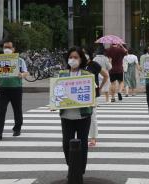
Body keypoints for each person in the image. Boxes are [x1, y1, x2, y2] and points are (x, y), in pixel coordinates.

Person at [59, 46, 93, 174]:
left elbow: (92, 92)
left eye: (75, 57)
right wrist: (55, 103)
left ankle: (80, 170)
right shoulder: (62, 74)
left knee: (83, 144)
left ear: (81, 59)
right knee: (66, 144)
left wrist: (92, 101)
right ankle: (72, 166)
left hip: (83, 115)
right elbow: (57, 92)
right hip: (66, 115)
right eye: (70, 57)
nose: (72, 60)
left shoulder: (87, 75)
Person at [0, 41, 28, 140]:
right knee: (1, 110)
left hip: (16, 88)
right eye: (5, 47)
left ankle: (17, 129)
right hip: (3, 88)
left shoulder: (20, 60)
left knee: (17, 110)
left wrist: (22, 74)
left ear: (13, 49)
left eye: (9, 47)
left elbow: (26, 72)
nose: (6, 49)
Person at [85, 48, 109, 147]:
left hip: (91, 94)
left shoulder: (93, 64)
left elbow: (106, 75)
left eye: (85, 53)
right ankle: (82, 136)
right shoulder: (78, 65)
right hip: (79, 95)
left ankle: (93, 138)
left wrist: (100, 87)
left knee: (92, 115)